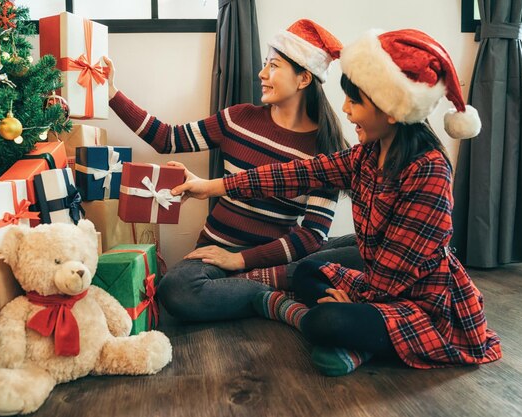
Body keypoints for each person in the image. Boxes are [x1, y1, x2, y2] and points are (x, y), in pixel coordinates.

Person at [171, 29, 502, 376]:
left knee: (324, 322)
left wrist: (357, 302)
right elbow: (294, 174)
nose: (345, 109)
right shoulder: (365, 156)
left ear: (389, 109)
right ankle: (359, 339)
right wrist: (214, 186)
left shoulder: (429, 169)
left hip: (421, 303)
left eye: (355, 102)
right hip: (377, 285)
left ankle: (351, 339)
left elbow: (397, 269)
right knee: (309, 272)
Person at [104, 19, 363, 322]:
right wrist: (112, 93)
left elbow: (311, 236)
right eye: (265, 64)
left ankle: (263, 285)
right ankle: (279, 292)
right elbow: (167, 138)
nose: (262, 74)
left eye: (274, 66)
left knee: (365, 249)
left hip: (276, 257)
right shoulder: (238, 118)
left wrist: (241, 260)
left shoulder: (326, 148)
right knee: (176, 289)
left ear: (303, 79)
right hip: (214, 256)